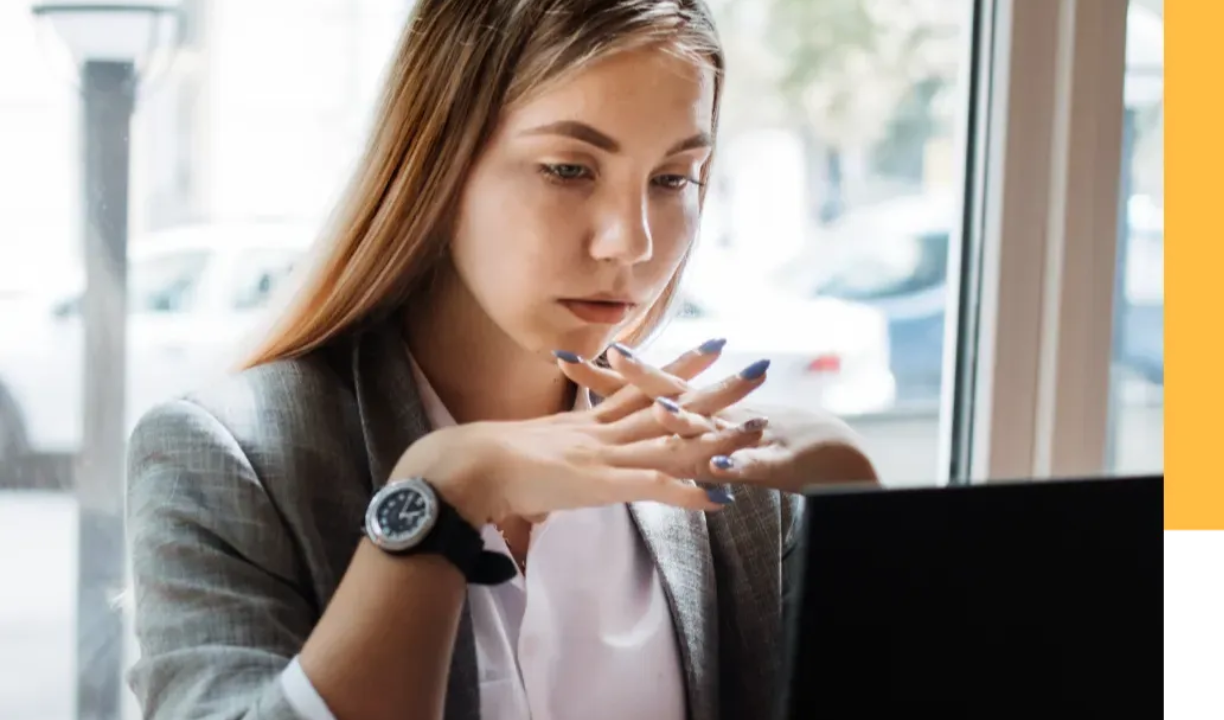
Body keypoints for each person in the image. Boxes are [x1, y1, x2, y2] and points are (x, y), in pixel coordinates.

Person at [124, 1, 880, 719]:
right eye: (569, 169)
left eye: (673, 178)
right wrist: (442, 493)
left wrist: (863, 526)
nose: (632, 241)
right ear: (439, 162)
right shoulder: (227, 461)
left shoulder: (733, 492)